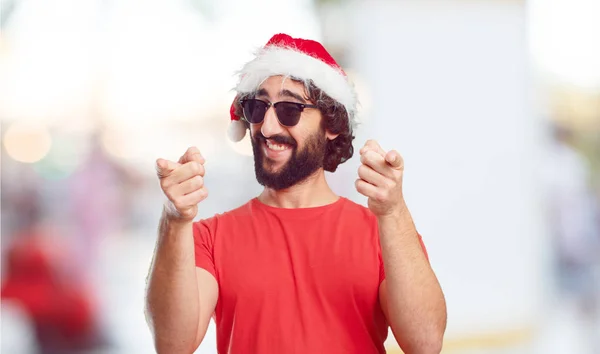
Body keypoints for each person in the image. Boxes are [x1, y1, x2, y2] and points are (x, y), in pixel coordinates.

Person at [145, 33, 447, 354]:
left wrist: (393, 212)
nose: (268, 127)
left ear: (331, 123)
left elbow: (425, 343)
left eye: (289, 109)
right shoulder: (208, 237)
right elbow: (173, 345)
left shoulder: (384, 232)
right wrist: (174, 220)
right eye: (258, 108)